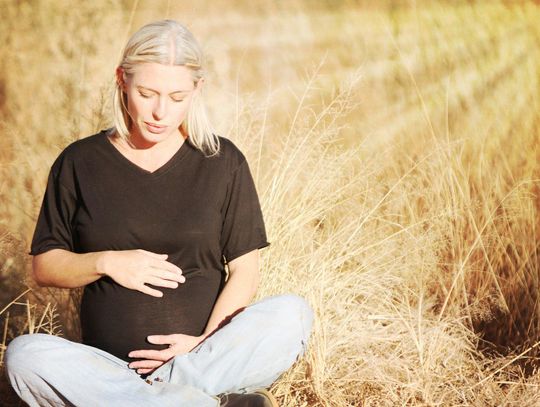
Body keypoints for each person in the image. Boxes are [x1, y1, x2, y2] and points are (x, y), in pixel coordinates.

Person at [4, 19, 314, 407]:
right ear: (122, 80)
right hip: (110, 370)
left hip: (203, 358)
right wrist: (107, 261)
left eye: (177, 96)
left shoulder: (222, 161)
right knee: (25, 357)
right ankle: (199, 401)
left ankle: (171, 392)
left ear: (197, 89)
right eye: (147, 93)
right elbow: (45, 266)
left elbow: (244, 271)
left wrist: (201, 346)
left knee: (293, 314)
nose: (160, 112)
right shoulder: (79, 162)